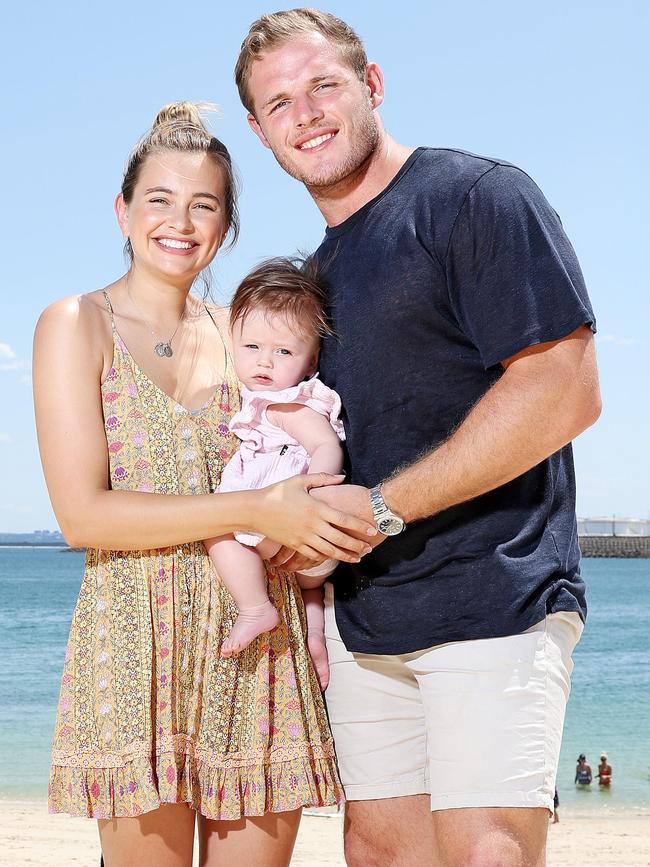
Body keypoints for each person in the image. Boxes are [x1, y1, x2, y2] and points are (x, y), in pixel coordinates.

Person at [235, 9, 602, 867]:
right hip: (369, 620)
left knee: (488, 852)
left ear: (372, 84)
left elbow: (566, 389)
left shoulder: (475, 198)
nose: (308, 113)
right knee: (378, 851)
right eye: (280, 103)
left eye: (324, 84)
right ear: (260, 132)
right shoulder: (316, 274)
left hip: (496, 598)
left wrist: (383, 508)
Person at [33, 101, 376, 867]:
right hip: (134, 645)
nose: (179, 221)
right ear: (123, 210)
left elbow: (330, 445)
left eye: (204, 205)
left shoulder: (248, 335)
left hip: (260, 648)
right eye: (158, 199)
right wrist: (258, 507)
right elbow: (82, 515)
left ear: (226, 227)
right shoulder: (74, 323)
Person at [205, 257, 343, 687]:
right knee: (310, 591)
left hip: (295, 527)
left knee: (217, 528)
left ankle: (255, 608)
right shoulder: (265, 403)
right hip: (309, 557)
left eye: (283, 351)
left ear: (310, 360)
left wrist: (313, 497)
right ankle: (315, 638)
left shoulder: (289, 406)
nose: (264, 361)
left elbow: (326, 444)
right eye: (252, 347)